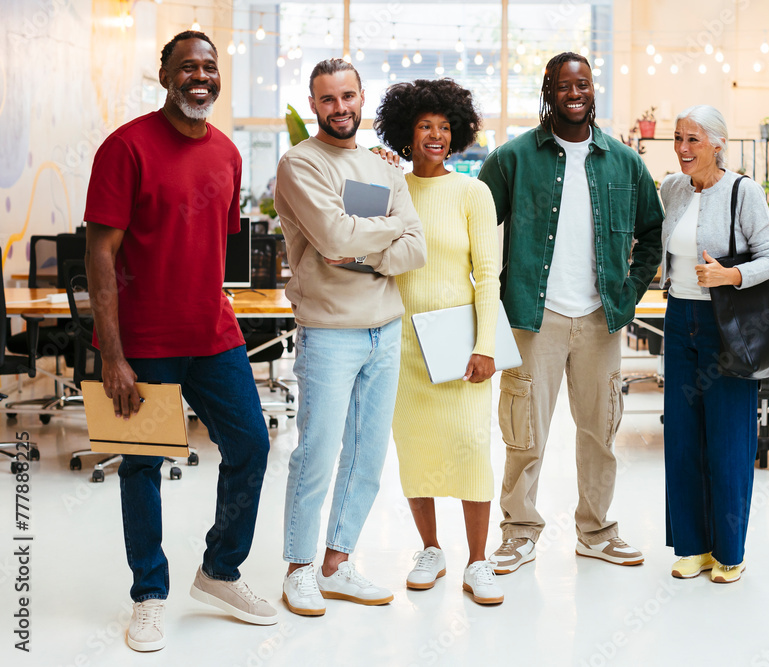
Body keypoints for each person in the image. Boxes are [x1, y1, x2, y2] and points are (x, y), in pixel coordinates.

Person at [85, 31, 276, 653]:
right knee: (143, 465)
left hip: (213, 332)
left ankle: (220, 571)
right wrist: (111, 354)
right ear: (164, 74)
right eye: (187, 66)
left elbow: (214, 245)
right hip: (143, 342)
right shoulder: (126, 147)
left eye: (210, 67)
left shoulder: (226, 152)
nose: (201, 76)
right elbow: (100, 255)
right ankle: (148, 594)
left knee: (250, 444)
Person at [478, 52, 663, 574]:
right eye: (565, 85)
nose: (575, 93)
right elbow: (469, 219)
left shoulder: (624, 161)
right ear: (548, 91)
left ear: (592, 90)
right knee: (524, 432)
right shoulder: (513, 157)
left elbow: (653, 233)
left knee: (600, 431)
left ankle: (596, 530)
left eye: (583, 84)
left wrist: (627, 294)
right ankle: (518, 531)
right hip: (533, 317)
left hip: (601, 318)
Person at [274, 58, 426, 616]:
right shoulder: (299, 164)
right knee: (316, 453)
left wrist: (360, 245)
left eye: (348, 96)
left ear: (362, 97)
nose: (340, 108)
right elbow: (334, 235)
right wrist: (380, 233)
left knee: (366, 457)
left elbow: (417, 247)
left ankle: (337, 565)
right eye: (327, 99)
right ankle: (298, 569)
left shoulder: (383, 166)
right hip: (330, 331)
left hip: (385, 330)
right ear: (313, 105)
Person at [373, 78, 504, 605]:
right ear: (408, 132)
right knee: (416, 452)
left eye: (445, 127)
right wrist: (375, 168)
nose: (436, 135)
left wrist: (487, 344)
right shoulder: (388, 188)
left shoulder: (472, 192)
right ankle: (430, 549)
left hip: (459, 342)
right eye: (425, 125)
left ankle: (478, 560)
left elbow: (488, 274)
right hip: (399, 342)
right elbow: (356, 241)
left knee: (472, 448)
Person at [658, 105, 769, 584]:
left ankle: (730, 551)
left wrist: (730, 275)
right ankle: (692, 546)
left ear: (717, 144)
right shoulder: (673, 189)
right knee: (683, 436)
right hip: (679, 317)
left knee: (728, 439)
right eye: (678, 138)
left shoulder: (743, 192)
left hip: (726, 323)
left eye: (693, 139)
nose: (683, 149)